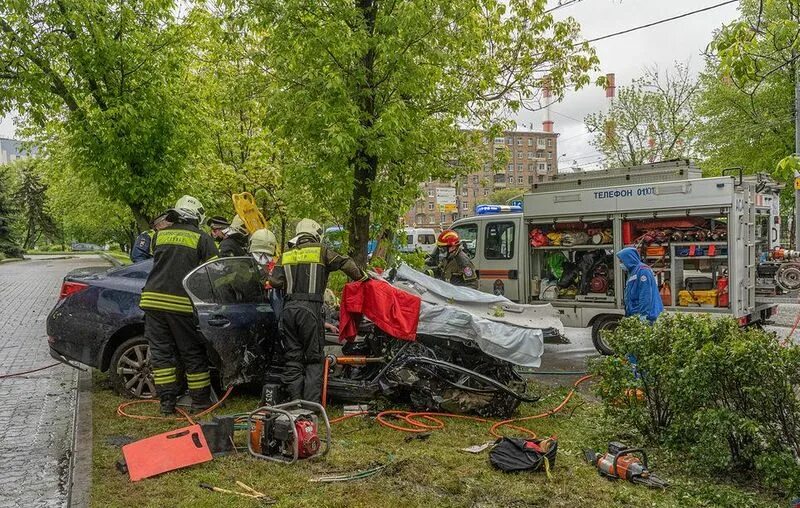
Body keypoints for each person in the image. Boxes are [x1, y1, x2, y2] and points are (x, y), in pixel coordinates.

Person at [269, 218, 367, 403]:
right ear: (315, 234)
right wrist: (363, 278)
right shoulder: (321, 251)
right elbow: (344, 262)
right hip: (310, 309)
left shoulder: (286, 254)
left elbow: (275, 282)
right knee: (313, 359)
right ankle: (310, 406)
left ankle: (294, 401)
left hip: (288, 310)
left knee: (292, 358)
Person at [140, 195, 219, 414]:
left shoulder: (159, 236)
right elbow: (213, 274)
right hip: (181, 304)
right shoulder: (203, 239)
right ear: (197, 217)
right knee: (192, 353)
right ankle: (200, 402)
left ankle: (166, 404)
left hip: (152, 302)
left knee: (162, 354)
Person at [616, 246, 663, 323]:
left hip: (646, 315)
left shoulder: (643, 271)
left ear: (629, 259)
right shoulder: (633, 271)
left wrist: (644, 314)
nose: (621, 264)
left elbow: (645, 294)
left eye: (622, 261)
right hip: (636, 314)